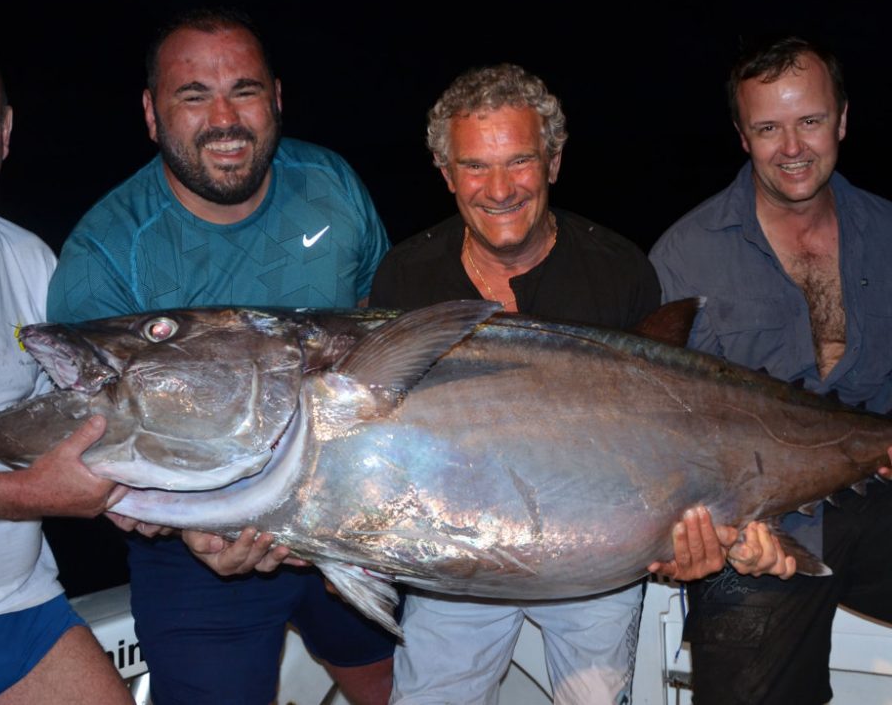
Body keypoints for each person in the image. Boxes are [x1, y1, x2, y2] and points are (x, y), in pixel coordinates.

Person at [46, 8, 395, 705]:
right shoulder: (107, 254)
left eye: (244, 89)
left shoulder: (330, 185)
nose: (225, 118)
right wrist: (184, 526)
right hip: (194, 556)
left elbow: (383, 340)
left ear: (277, 99)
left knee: (397, 689)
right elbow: (87, 439)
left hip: (345, 514)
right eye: (193, 95)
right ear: (150, 113)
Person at [369, 63, 661, 704]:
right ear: (446, 176)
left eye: (520, 161)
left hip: (593, 563)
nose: (499, 188)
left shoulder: (619, 273)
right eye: (475, 166)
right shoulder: (405, 281)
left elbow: (660, 436)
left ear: (553, 164)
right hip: (456, 560)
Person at [650, 36, 892, 704]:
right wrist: (722, 537)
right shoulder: (685, 258)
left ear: (842, 120)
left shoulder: (887, 231)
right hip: (752, 528)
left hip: (877, 493)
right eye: (768, 128)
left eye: (809, 121)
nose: (792, 147)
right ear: (742, 135)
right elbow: (662, 435)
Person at [0, 32, 131, 705]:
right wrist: (33, 497)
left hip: (20, 610)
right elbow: (39, 486)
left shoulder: (31, 260)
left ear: (7, 133)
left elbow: (75, 425)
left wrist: (144, 496)